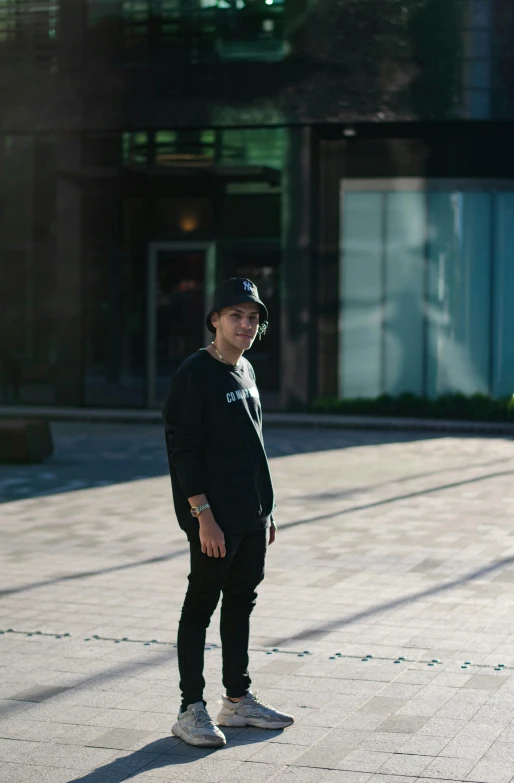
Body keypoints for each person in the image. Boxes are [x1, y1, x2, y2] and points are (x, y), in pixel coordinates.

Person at [163, 277, 294, 748]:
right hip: (214, 519)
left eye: (253, 317)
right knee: (201, 605)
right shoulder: (195, 373)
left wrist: (268, 509)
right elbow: (182, 450)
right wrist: (203, 515)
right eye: (235, 315)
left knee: (241, 602)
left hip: (252, 515)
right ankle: (190, 708)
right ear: (215, 319)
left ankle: (236, 701)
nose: (245, 324)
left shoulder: (247, 370)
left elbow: (252, 445)